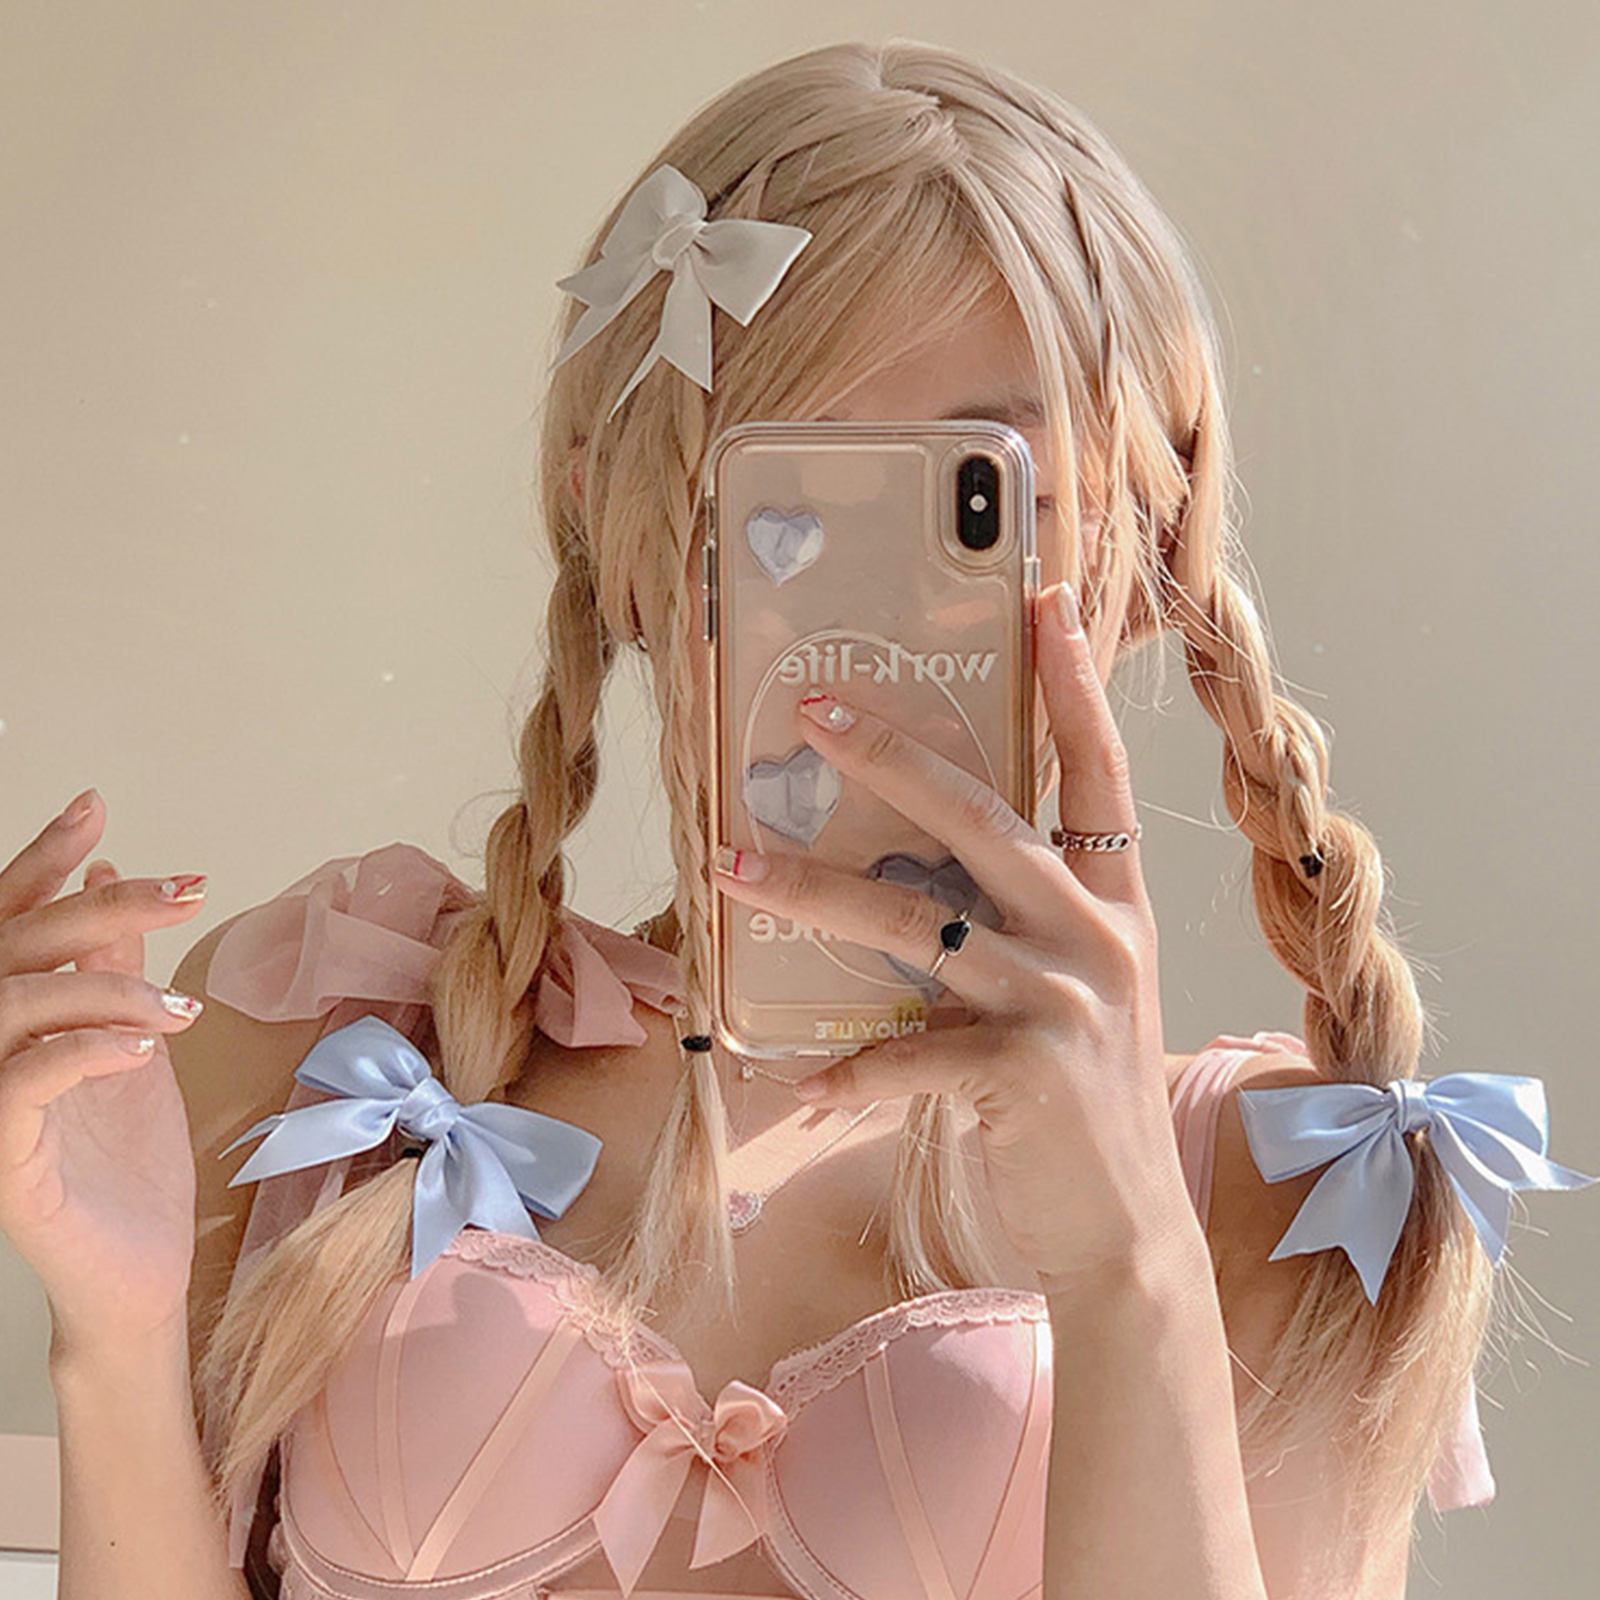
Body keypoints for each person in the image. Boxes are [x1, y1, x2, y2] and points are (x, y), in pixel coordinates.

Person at [5, 36, 1594, 1600]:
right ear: (616, 533)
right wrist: (112, 1340)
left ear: (1139, 561)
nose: (873, 622)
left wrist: (1132, 1270)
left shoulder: (1297, 1196)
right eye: (790, 504)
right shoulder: (327, 1050)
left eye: (977, 507)